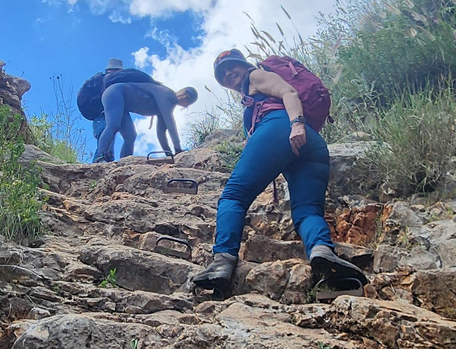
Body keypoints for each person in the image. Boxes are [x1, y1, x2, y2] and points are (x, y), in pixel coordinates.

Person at [191, 49, 368, 292]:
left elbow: (289, 92)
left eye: (232, 66)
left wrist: (296, 124)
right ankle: (322, 252)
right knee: (307, 210)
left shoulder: (255, 76)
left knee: (234, 196)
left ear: (245, 65)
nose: (228, 73)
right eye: (222, 73)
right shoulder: (250, 99)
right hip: (309, 145)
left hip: (283, 130)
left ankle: (222, 261)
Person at [93, 71, 197, 163]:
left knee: (130, 136)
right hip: (116, 92)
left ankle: (123, 162)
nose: (183, 97)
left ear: (186, 106)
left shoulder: (167, 108)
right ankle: (100, 156)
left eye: (187, 99)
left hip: (123, 102)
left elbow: (161, 133)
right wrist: (178, 148)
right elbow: (170, 123)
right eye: (185, 93)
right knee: (113, 125)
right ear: (180, 90)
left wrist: (169, 154)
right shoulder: (166, 94)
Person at [90, 58, 124, 162]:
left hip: (101, 117)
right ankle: (100, 161)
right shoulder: (109, 80)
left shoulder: (105, 80)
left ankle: (104, 161)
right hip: (103, 116)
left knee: (108, 141)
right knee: (105, 140)